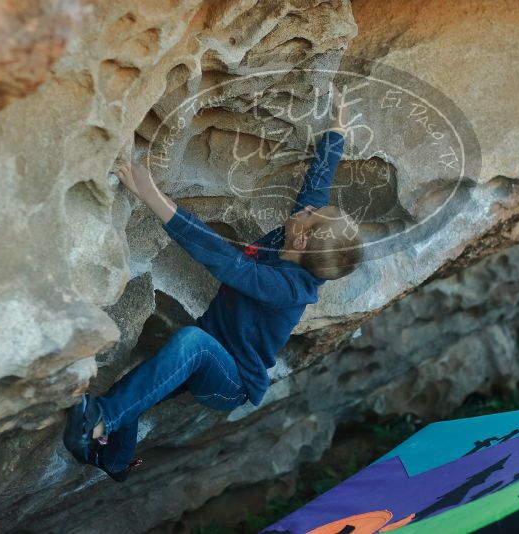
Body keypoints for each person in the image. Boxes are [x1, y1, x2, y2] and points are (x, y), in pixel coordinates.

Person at [62, 82, 363, 481]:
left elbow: (226, 262)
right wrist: (336, 133)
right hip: (209, 347)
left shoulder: (288, 290)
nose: (307, 208)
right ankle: (115, 459)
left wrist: (153, 196)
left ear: (302, 237)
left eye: (310, 215)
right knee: (135, 383)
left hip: (231, 380)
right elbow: (316, 187)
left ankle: (97, 423)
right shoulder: (291, 240)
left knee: (191, 343)